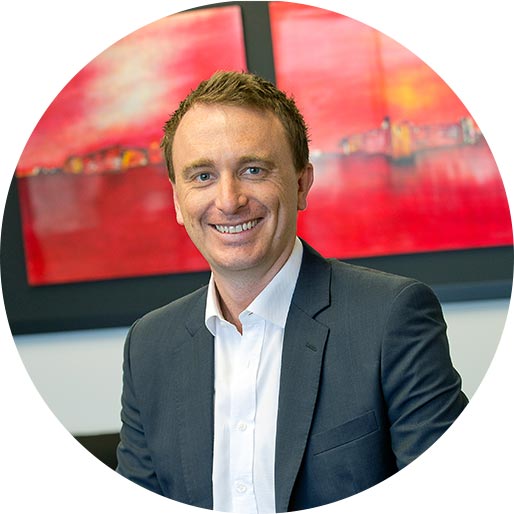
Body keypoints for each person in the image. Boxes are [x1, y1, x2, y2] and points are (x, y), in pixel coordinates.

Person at [116, 70, 468, 512]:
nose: (228, 200)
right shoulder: (149, 347)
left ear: (301, 183)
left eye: (253, 170)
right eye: (202, 176)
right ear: (177, 201)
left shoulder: (391, 318)